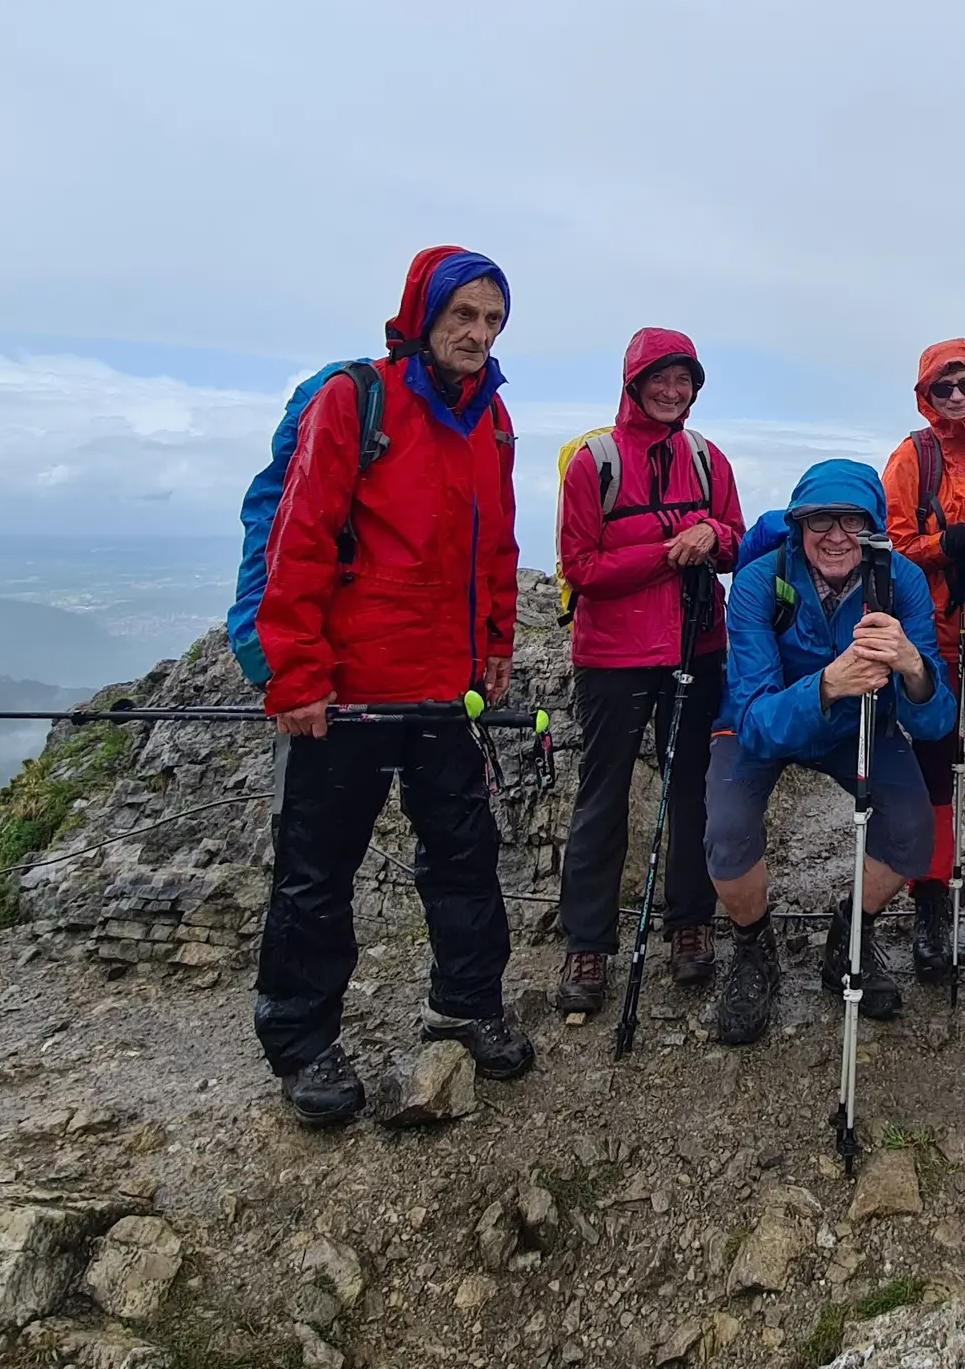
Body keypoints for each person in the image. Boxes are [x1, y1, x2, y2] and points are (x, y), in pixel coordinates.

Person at [254, 246, 533, 1126]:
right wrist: (295, 674)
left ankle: (465, 1004)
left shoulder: (492, 422)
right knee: (315, 870)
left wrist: (494, 643)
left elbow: (496, 547)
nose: (478, 335)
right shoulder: (355, 400)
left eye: (492, 320)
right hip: (345, 691)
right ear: (424, 313)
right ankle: (303, 1047)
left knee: (463, 851)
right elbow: (298, 541)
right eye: (464, 315)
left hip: (446, 688)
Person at [705, 460, 955, 1046]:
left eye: (851, 519)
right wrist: (826, 686)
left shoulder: (902, 583)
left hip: (860, 725)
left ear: (872, 525)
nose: (836, 534)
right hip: (765, 722)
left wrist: (912, 667)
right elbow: (755, 721)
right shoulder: (760, 582)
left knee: (913, 829)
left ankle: (850, 935)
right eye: (821, 520)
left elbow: (936, 717)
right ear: (798, 525)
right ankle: (753, 949)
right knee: (727, 831)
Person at [554, 329, 744, 1017]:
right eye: (660, 380)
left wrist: (712, 537)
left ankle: (689, 924)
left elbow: (736, 539)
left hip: (698, 646)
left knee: (693, 789)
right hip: (612, 655)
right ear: (634, 382)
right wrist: (669, 551)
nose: (673, 392)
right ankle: (588, 944)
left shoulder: (706, 457)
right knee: (601, 798)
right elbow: (580, 569)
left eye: (684, 381)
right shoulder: (594, 462)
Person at [879, 339, 965, 979]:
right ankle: (931, 897)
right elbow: (890, 545)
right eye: (943, 388)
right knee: (936, 758)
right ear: (926, 395)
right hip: (937, 624)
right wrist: (946, 546)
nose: (957, 396)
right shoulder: (914, 456)